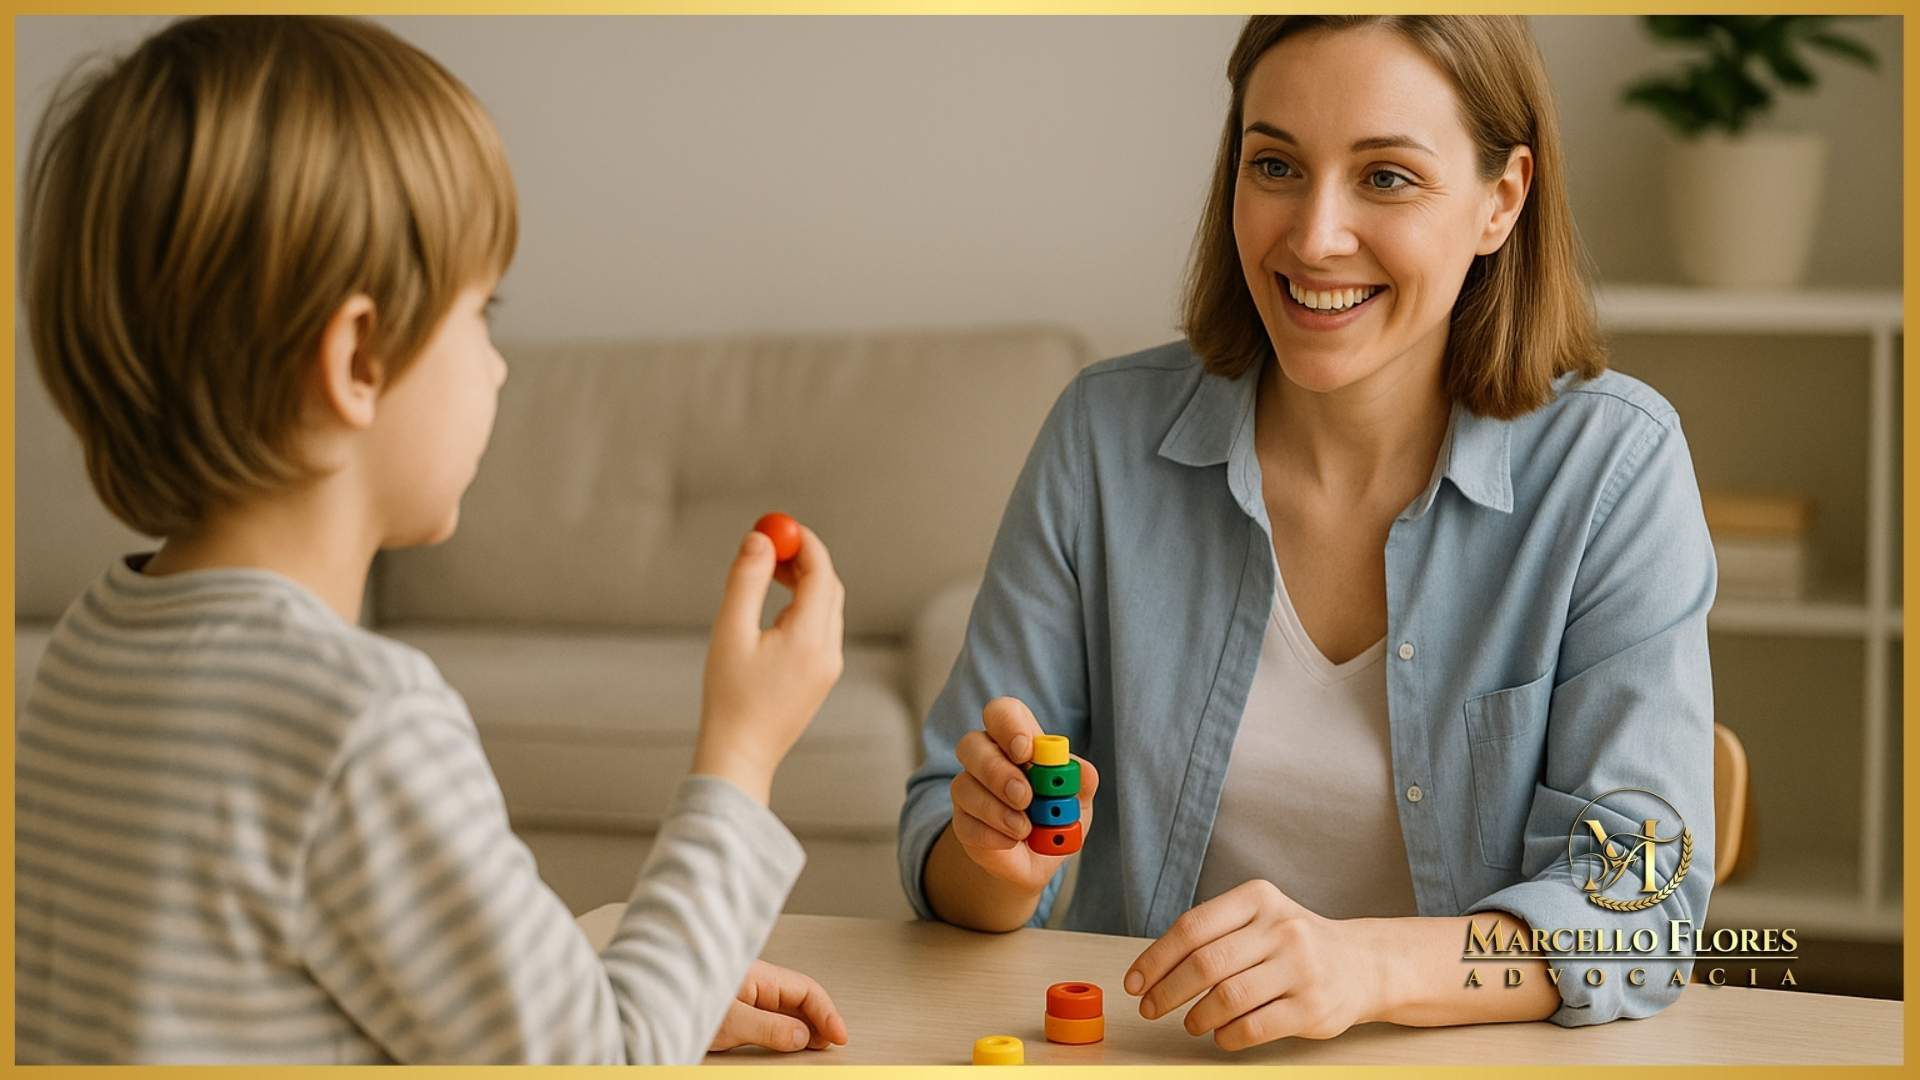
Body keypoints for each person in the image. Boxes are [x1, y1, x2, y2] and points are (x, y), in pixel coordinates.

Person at [16, 15, 848, 1064]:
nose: (498, 367)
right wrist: (741, 751)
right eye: (481, 313)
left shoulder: (81, 661)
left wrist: (651, 989)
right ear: (359, 357)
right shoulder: (356, 723)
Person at [900, 14, 1716, 1047]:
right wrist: (992, 857)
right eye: (1275, 164)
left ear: (1500, 201)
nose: (1314, 234)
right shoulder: (1102, 439)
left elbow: (1639, 906)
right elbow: (941, 837)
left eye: (1386, 177)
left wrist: (1367, 966)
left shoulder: (1613, 468)